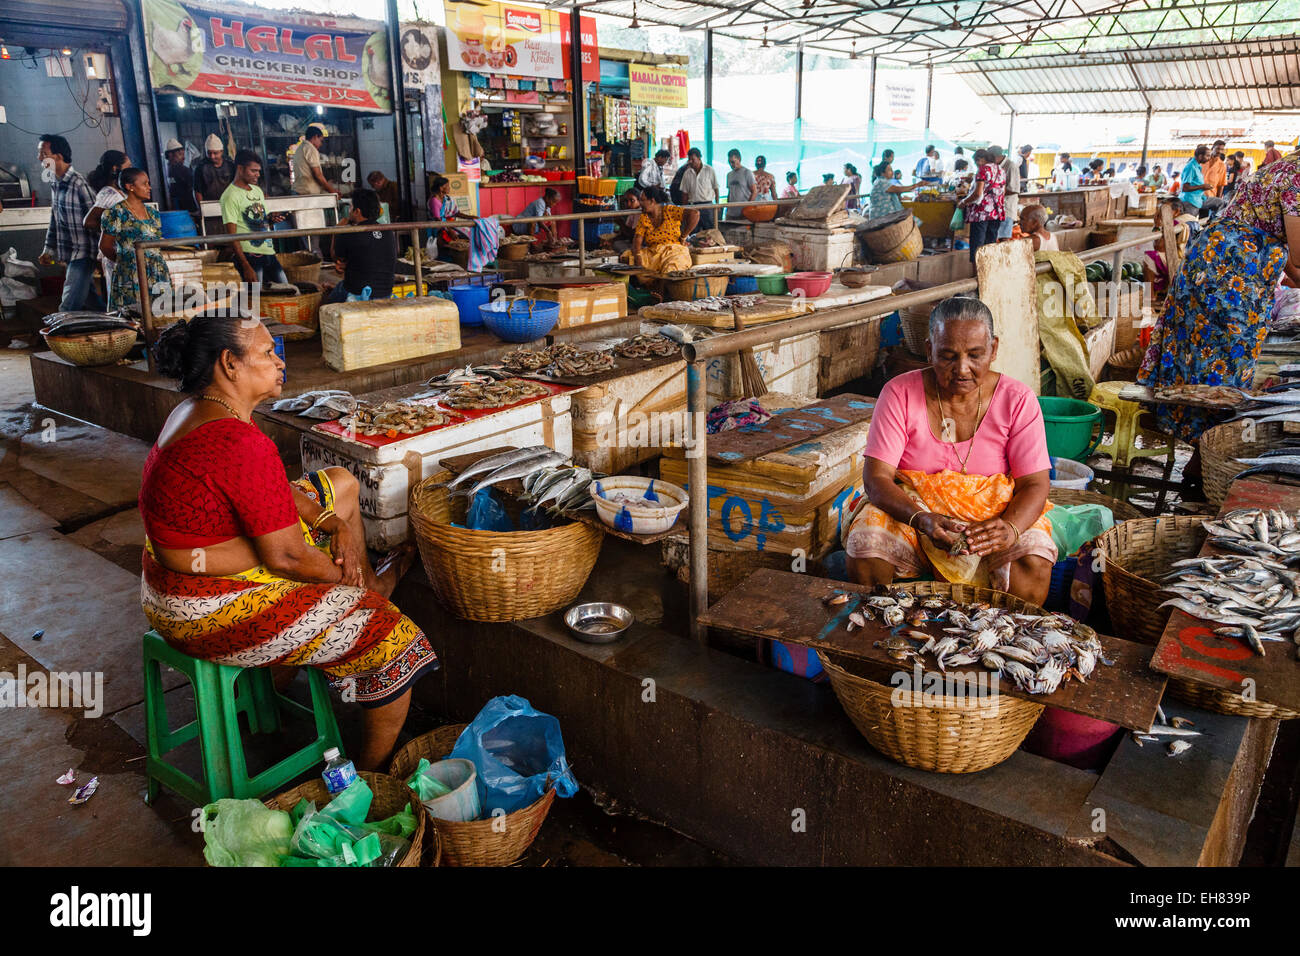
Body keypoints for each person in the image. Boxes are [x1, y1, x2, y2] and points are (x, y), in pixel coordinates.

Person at [139, 313, 435, 771]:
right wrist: (346, 580)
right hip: (200, 604)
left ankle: (352, 603)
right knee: (393, 637)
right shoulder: (235, 440)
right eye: (266, 353)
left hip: (171, 577)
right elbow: (288, 557)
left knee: (342, 483)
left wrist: (330, 521)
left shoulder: (201, 409)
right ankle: (373, 776)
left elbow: (273, 488)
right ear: (229, 364)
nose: (279, 363)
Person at [844, 296, 1055, 604]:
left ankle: (1006, 636)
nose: (962, 369)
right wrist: (921, 518)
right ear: (928, 349)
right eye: (947, 356)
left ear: (993, 350)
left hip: (992, 521)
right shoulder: (898, 393)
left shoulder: (1018, 400)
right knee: (867, 541)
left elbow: (1035, 484)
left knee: (1033, 553)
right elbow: (877, 478)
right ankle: (882, 625)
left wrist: (1010, 527)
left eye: (975, 355)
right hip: (916, 517)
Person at [1138, 147, 1300, 495]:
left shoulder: (1282, 170)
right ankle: (1201, 474)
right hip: (1229, 277)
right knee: (1224, 371)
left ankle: (1198, 469)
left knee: (1216, 367)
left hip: (1218, 264)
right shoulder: (1297, 180)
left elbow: (1286, 251)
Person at [37, 133, 100, 312]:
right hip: (70, 253)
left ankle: (59, 336)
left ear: (58, 157)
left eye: (43, 154)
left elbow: (98, 220)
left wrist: (104, 256)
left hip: (84, 253)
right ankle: (117, 329)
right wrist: (48, 249)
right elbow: (55, 219)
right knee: (92, 304)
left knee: (68, 306)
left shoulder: (79, 184)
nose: (39, 158)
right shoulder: (55, 184)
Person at [98, 168, 170, 313]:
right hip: (131, 275)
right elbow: (104, 246)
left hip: (157, 272)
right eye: (144, 184)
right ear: (130, 187)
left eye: (149, 183)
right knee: (133, 316)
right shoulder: (116, 212)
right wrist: (126, 262)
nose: (149, 187)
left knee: (161, 314)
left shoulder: (153, 213)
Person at [220, 150, 290, 287]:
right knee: (256, 299)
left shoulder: (257, 190)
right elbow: (231, 235)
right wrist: (245, 265)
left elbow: (264, 218)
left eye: (258, 171)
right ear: (240, 169)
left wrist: (271, 218)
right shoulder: (230, 196)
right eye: (253, 171)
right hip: (250, 255)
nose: (258, 175)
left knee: (287, 291)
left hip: (269, 251)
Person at [326, 188, 397, 304]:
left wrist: (337, 230)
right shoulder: (387, 232)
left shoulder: (350, 232)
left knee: (325, 304)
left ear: (357, 211)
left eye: (350, 207)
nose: (349, 211)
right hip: (385, 292)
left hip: (357, 291)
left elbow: (336, 257)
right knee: (340, 285)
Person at [85, 150, 131, 306]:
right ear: (114, 168)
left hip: (122, 251)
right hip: (114, 253)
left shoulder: (118, 192)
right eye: (127, 166)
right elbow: (89, 221)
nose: (131, 170)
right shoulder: (108, 193)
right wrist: (113, 230)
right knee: (120, 299)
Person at [625, 185, 699, 273]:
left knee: (670, 268)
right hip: (654, 254)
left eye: (642, 200)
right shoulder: (644, 217)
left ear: (652, 201)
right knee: (628, 257)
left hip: (673, 251)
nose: (640, 203)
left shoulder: (670, 210)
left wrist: (684, 236)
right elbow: (637, 239)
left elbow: (695, 214)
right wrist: (637, 256)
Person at [957, 148, 1005, 264]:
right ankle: (988, 274)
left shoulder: (983, 170)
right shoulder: (1001, 170)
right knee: (990, 245)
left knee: (978, 248)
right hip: (996, 213)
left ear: (981, 159)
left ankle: (977, 276)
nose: (977, 164)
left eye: (976, 161)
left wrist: (964, 202)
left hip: (981, 213)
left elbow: (978, 194)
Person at [292, 126, 339, 199]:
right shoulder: (311, 149)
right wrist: (333, 192)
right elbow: (318, 175)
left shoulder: (300, 148)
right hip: (307, 193)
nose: (321, 144)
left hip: (298, 191)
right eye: (321, 140)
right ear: (315, 137)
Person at [680, 147, 720, 230]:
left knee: (710, 232)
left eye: (693, 159)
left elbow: (716, 188)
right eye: (689, 159)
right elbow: (685, 193)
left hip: (707, 206)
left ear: (699, 158)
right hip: (693, 206)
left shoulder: (709, 170)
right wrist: (684, 209)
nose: (690, 161)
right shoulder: (687, 173)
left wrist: (718, 204)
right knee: (693, 231)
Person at [192, 134, 234, 207]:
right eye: (209, 153)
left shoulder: (231, 165)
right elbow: (197, 191)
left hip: (228, 204)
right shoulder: (200, 167)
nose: (212, 156)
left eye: (215, 153)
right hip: (209, 205)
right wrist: (202, 208)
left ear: (221, 151)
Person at [991, 146, 1020, 240]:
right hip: (997, 207)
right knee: (995, 236)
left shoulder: (1011, 166)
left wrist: (995, 192)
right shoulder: (996, 166)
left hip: (1006, 207)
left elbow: (1013, 189)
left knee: (1004, 238)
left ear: (996, 156)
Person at [164, 139, 197, 214]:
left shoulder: (168, 168)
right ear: (170, 155)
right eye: (180, 154)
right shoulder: (181, 169)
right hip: (186, 206)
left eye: (183, 154)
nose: (183, 157)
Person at [1178, 144, 1211, 217]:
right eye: (1207, 156)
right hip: (1189, 201)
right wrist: (1202, 186)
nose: (1209, 158)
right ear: (1200, 156)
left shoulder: (1198, 166)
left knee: (1219, 202)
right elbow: (1185, 188)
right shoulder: (1191, 167)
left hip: (1197, 200)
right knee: (1189, 224)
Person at [724, 148, 755, 221]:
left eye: (733, 162)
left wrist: (748, 208)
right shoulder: (729, 175)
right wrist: (727, 208)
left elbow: (754, 191)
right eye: (729, 162)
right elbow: (729, 192)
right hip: (731, 213)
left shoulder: (747, 172)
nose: (731, 165)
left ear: (739, 159)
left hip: (743, 212)